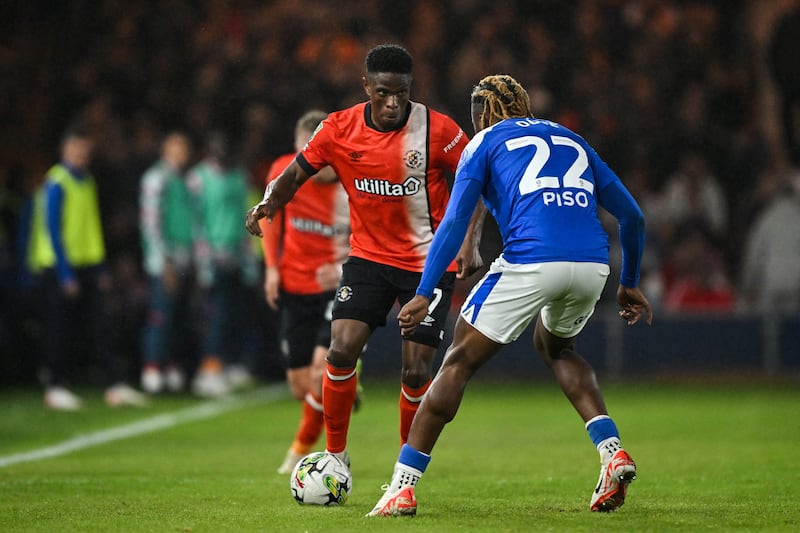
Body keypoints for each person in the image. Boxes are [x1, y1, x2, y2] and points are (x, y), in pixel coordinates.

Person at [367, 74, 653, 517]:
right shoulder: (571, 138)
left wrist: (424, 291)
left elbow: (453, 222)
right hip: (592, 262)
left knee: (458, 360)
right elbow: (632, 216)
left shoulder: (482, 143)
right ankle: (612, 451)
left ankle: (402, 487)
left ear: (481, 115)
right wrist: (629, 281)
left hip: (532, 260)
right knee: (557, 348)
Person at [245, 44, 482, 470]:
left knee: (414, 372)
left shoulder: (439, 130)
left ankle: (404, 471)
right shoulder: (338, 128)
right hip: (369, 258)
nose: (393, 103)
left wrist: (469, 239)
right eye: (383, 93)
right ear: (366, 86)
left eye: (402, 94)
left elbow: (479, 177)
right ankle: (335, 459)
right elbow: (295, 173)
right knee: (341, 350)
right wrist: (269, 205)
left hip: (429, 263)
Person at [25, 126, 149, 410]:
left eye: (85, 150)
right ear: (65, 151)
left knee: (102, 327)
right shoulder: (56, 182)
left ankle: (114, 385)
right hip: (58, 267)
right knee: (59, 328)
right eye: (76, 150)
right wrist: (65, 272)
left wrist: (100, 266)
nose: (82, 155)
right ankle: (54, 386)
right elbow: (52, 230)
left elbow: (91, 228)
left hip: (87, 265)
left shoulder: (86, 181)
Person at [259, 110, 351, 474]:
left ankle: (304, 451)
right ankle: (342, 392)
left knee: (318, 373)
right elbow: (272, 217)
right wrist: (270, 268)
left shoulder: (352, 178)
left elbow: (376, 231)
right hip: (295, 285)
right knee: (301, 386)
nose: (306, 165)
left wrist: (345, 266)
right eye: (302, 155)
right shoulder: (285, 170)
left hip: (338, 289)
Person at [189, 130, 260, 397]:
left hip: (237, 255)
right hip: (212, 254)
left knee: (235, 314)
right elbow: (195, 221)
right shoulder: (198, 178)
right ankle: (208, 368)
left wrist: (250, 259)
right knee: (214, 316)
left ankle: (229, 364)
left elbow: (248, 217)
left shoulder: (240, 177)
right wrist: (202, 262)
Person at [139, 132, 196, 394]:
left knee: (179, 316)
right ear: (166, 149)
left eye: (185, 147)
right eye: (177, 146)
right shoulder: (156, 179)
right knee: (160, 315)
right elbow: (150, 223)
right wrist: (164, 261)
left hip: (183, 257)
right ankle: (152, 367)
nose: (183, 151)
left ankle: (171, 366)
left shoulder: (184, 179)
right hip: (165, 261)